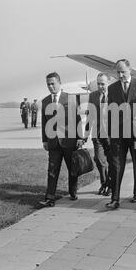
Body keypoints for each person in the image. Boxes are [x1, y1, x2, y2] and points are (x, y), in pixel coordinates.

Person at [106, 59, 136, 209]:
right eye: (118, 72)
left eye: (123, 72)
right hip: (118, 134)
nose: (121, 75)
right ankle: (115, 198)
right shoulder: (113, 88)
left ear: (130, 70)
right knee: (116, 165)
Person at [39, 72, 84, 207]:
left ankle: (73, 191)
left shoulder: (69, 99)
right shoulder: (45, 101)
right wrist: (45, 140)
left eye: (53, 84)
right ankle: (50, 198)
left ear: (59, 83)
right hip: (53, 142)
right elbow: (44, 122)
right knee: (52, 170)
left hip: (69, 141)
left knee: (72, 168)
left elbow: (77, 120)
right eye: (48, 84)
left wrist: (80, 137)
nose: (50, 87)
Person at [84, 73, 112, 196]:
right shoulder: (93, 96)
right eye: (98, 83)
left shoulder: (114, 95)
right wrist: (85, 134)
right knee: (100, 160)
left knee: (112, 161)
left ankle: (110, 186)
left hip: (112, 135)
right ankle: (104, 183)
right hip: (97, 134)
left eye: (103, 84)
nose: (100, 86)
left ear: (108, 83)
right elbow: (89, 116)